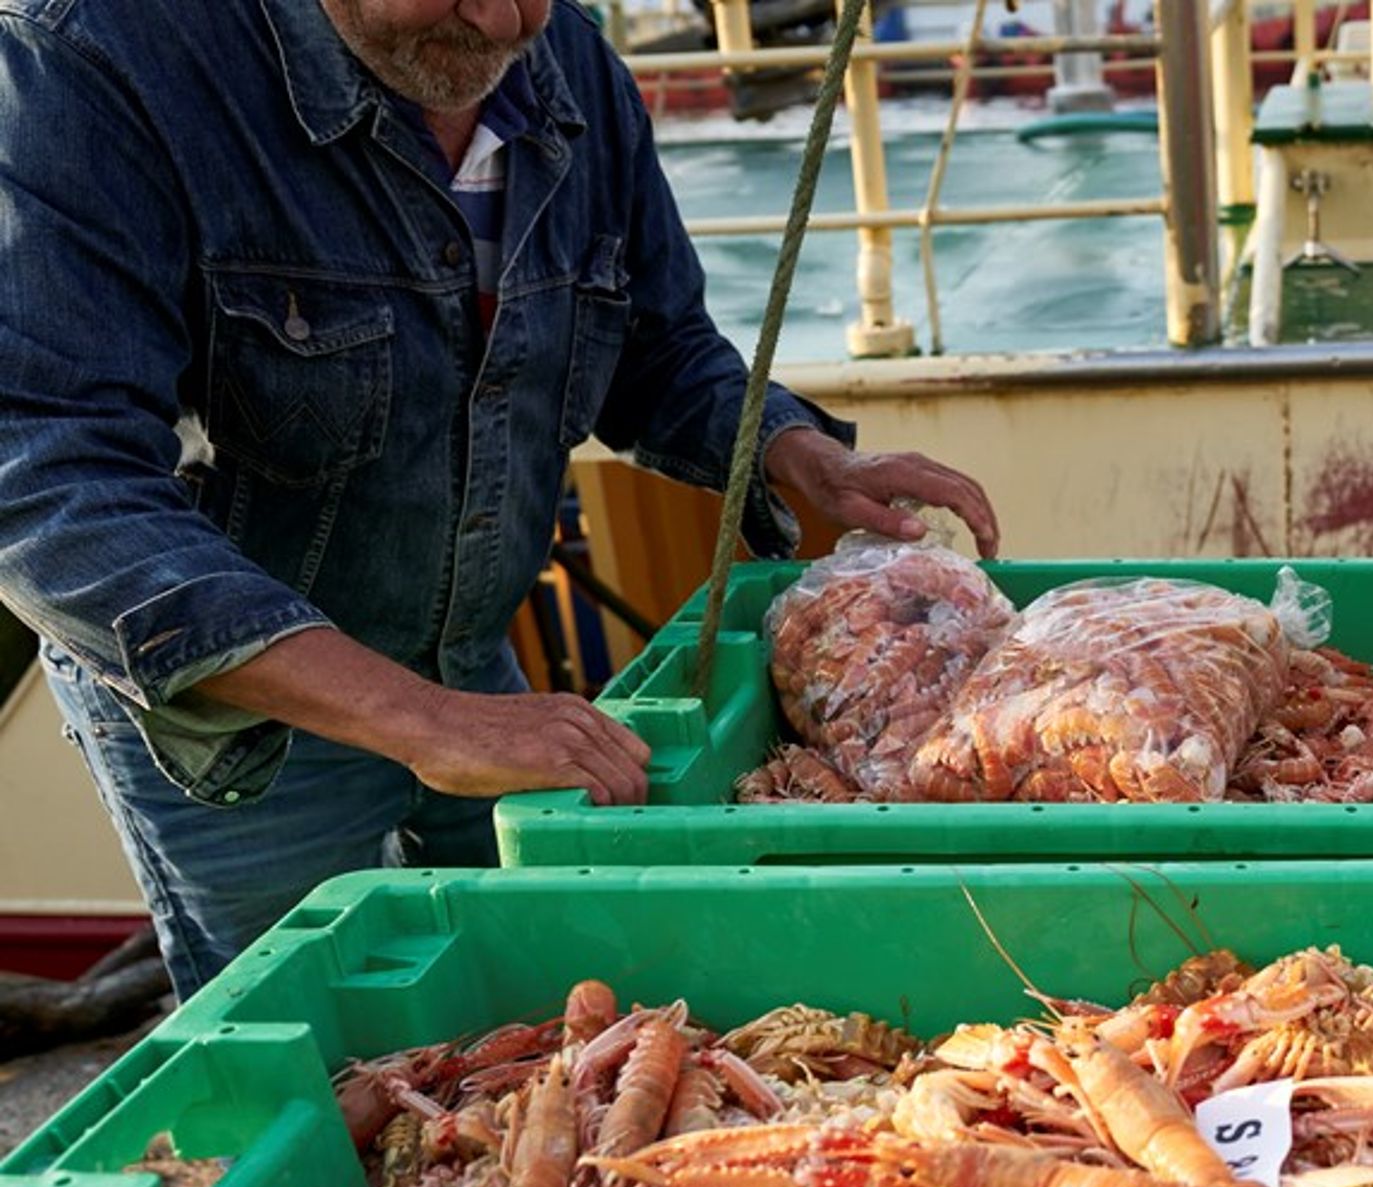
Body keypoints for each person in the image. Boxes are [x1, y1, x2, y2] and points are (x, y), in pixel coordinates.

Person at [0, 0, 1001, 998]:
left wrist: (795, 448)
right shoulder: (86, 63)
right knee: (326, 1037)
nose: (500, 19)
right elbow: (51, 479)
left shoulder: (565, 55)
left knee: (547, 1007)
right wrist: (422, 720)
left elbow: (657, 346)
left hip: (471, 662)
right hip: (239, 732)